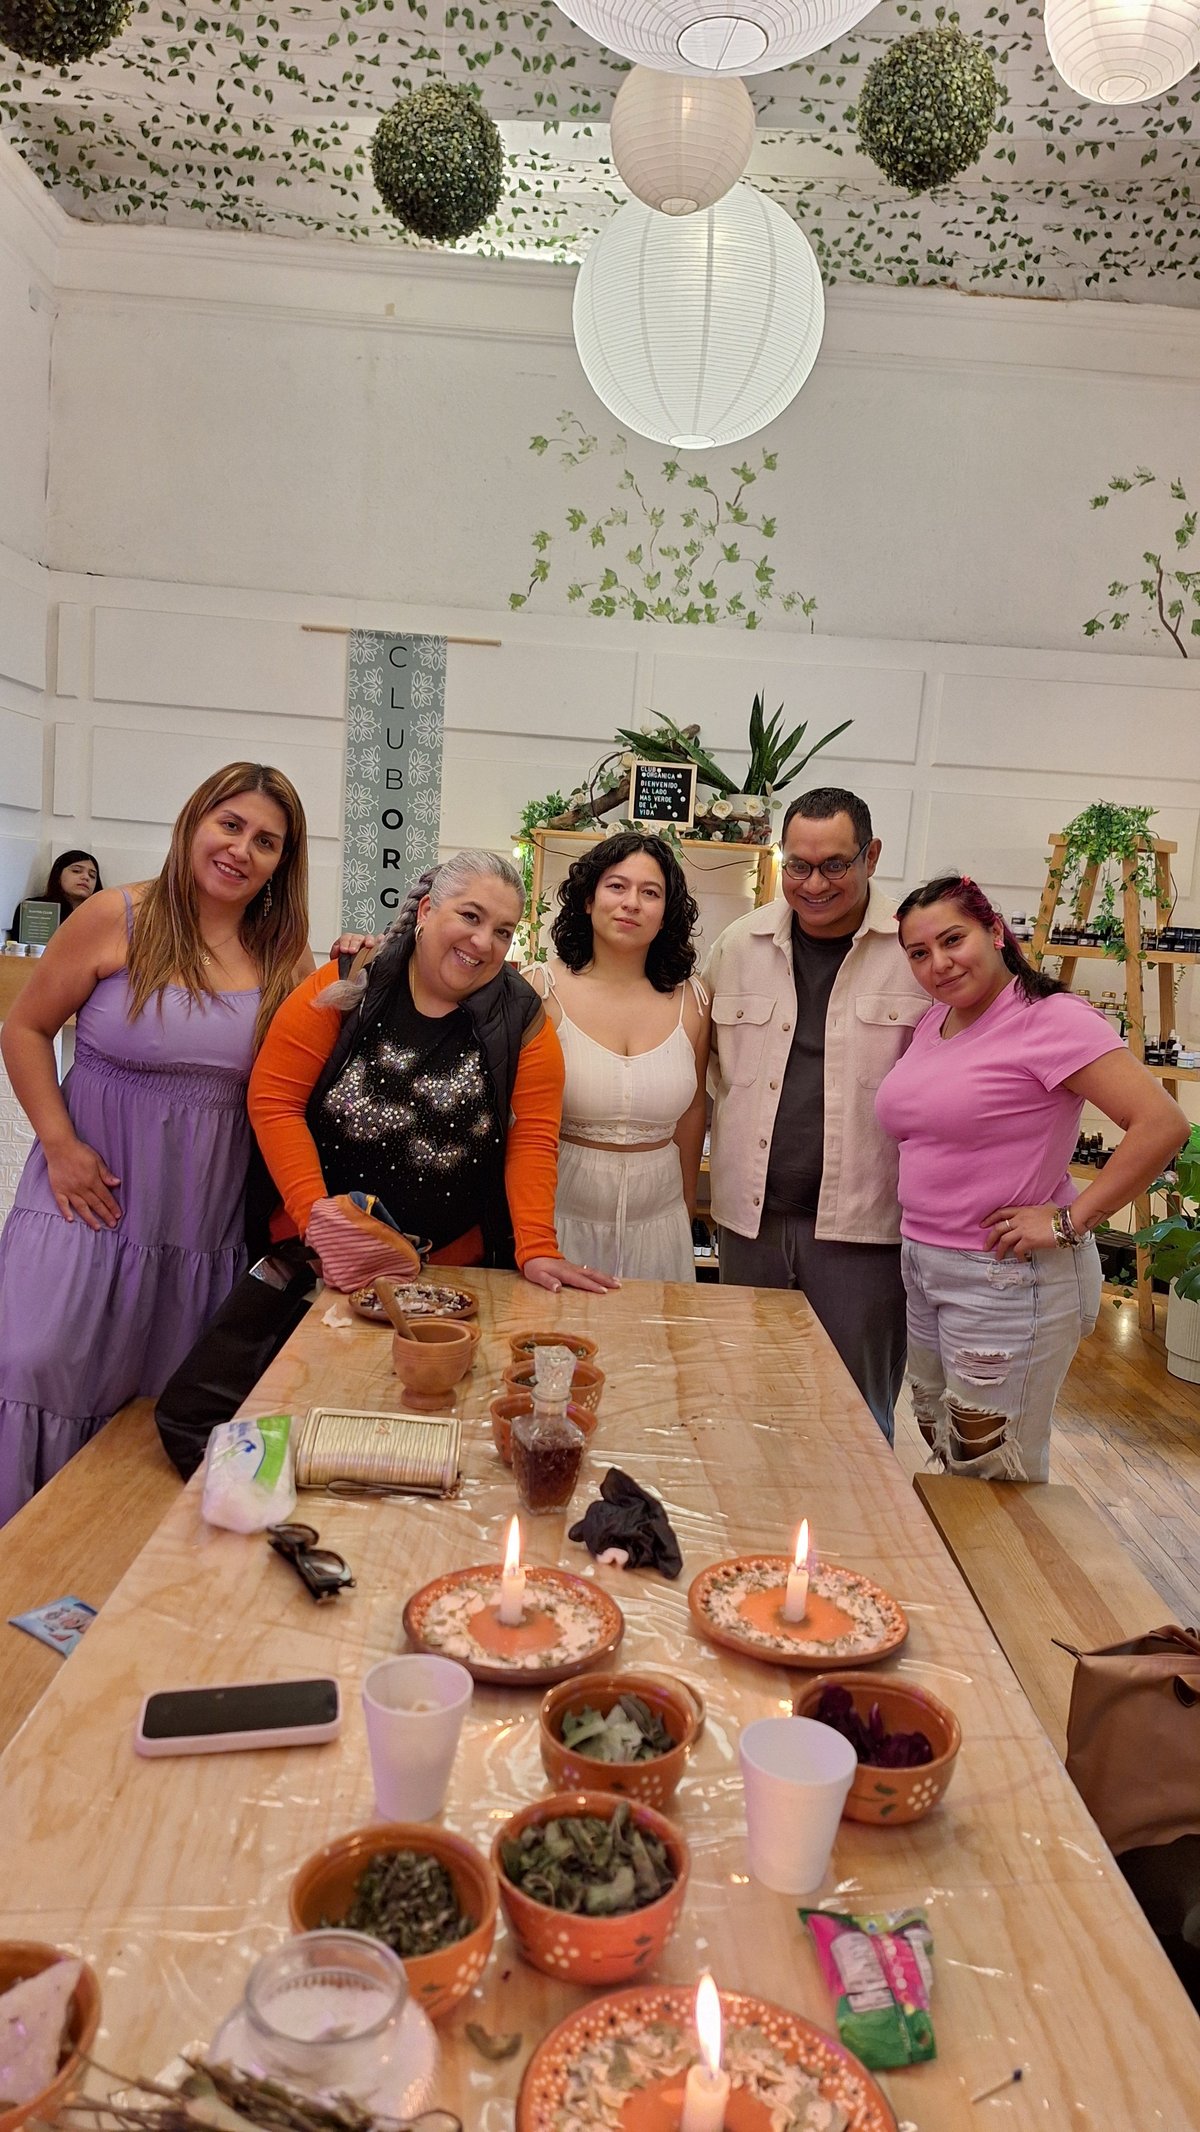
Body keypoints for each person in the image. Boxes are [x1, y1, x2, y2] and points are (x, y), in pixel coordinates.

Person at [0, 763, 311, 1524]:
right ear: (194, 823)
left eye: (266, 841)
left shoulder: (281, 957)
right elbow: (25, 1027)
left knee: (150, 1401)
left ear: (282, 863)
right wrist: (60, 1143)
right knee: (35, 1362)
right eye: (230, 825)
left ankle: (105, 1579)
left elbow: (298, 1087)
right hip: (85, 1192)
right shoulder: (118, 915)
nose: (242, 850)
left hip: (194, 1222)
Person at [876, 872, 1188, 1483]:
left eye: (952, 940)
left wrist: (1072, 1220)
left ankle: (1005, 1579)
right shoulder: (933, 1024)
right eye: (919, 953)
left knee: (992, 1465)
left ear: (995, 931)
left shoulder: (1050, 1019)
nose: (938, 963)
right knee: (945, 1439)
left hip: (1003, 1278)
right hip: (925, 1262)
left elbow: (1162, 1123)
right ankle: (961, 1577)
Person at [248, 850, 616, 1296]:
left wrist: (537, 1247)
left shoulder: (523, 1019)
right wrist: (321, 1225)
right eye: (470, 916)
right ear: (426, 910)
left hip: (452, 1271)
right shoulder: (347, 982)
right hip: (316, 1263)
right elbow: (274, 1101)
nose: (483, 942)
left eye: (503, 932)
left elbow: (534, 1137)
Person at [704, 787, 926, 1440]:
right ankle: (756, 1540)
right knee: (747, 1405)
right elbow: (713, 1069)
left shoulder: (915, 952)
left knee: (853, 1420)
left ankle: (853, 1544)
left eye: (834, 864)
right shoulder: (740, 945)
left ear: (871, 856)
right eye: (797, 865)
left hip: (867, 1230)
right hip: (751, 1225)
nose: (813, 883)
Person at [524, 831, 710, 1282]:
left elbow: (692, 1113)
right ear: (588, 900)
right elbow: (518, 1121)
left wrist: (685, 1212)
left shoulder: (695, 1001)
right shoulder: (538, 990)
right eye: (616, 886)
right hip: (560, 1217)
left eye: (650, 893)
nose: (631, 903)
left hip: (661, 1221)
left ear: (666, 914)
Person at [8, 850, 103, 939]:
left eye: (92, 875)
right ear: (58, 875)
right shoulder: (34, 909)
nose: (86, 877)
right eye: (76, 871)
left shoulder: (102, 917)